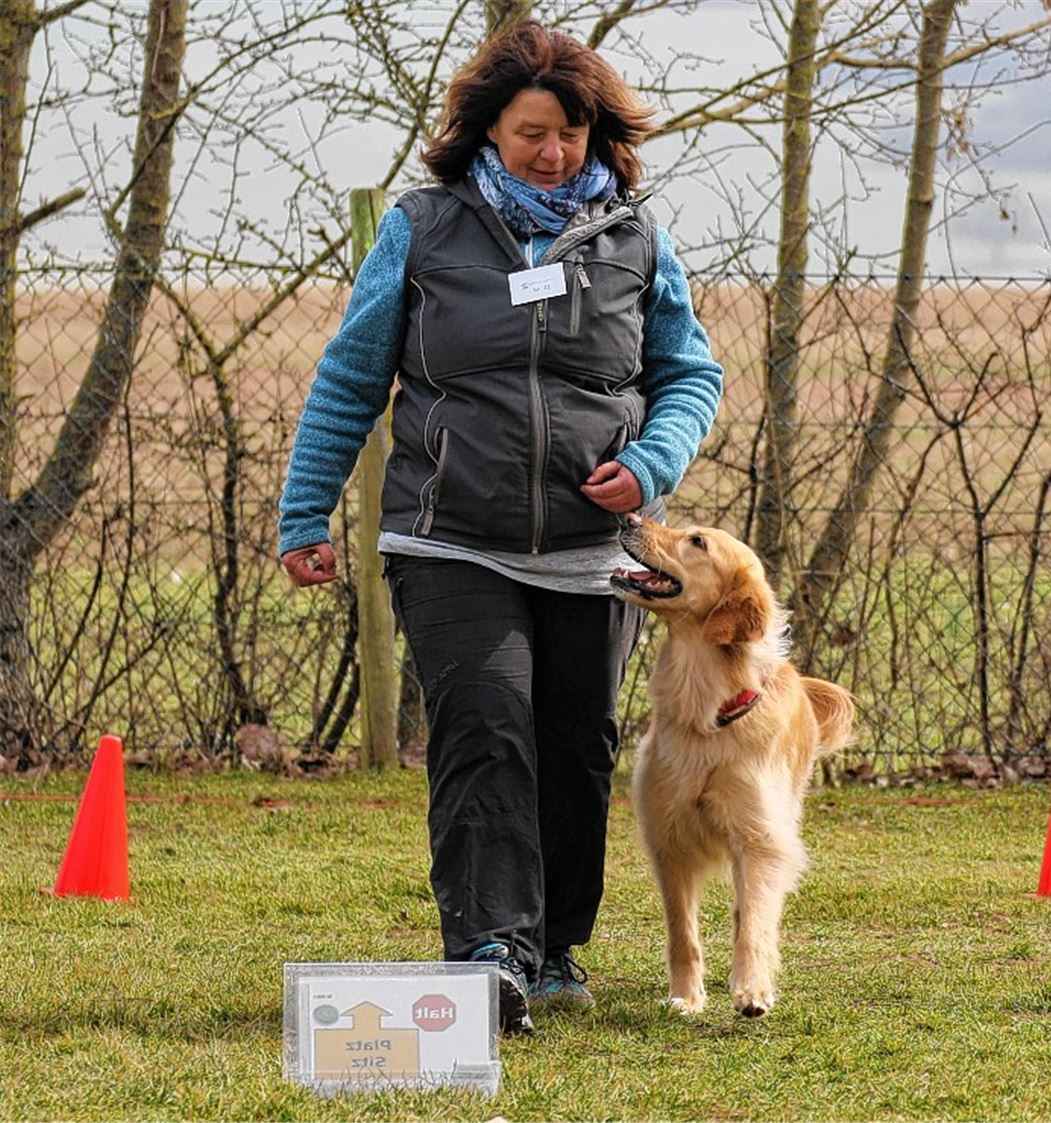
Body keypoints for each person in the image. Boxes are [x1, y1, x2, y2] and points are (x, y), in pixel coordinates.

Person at [278, 20, 723, 1035]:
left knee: (575, 744)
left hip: (589, 551)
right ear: (487, 130)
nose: (553, 152)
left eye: (571, 133)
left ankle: (558, 945)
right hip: (450, 536)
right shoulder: (426, 226)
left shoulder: (636, 239)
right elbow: (352, 372)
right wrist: (306, 511)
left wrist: (649, 467)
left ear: (597, 134)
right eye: (532, 133)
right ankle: (491, 954)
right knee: (483, 726)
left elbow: (689, 373)